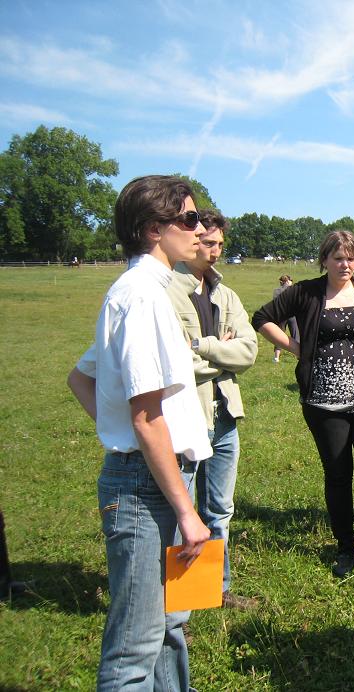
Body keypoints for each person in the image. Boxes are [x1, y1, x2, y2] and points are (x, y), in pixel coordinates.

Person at [66, 175, 212, 691]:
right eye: (190, 219)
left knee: (171, 627)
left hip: (158, 477)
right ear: (155, 229)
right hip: (148, 490)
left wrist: (124, 436)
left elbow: (82, 377)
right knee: (134, 650)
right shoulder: (141, 297)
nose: (200, 229)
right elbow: (147, 419)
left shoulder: (146, 292)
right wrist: (187, 511)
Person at [252, 230, 354, 577]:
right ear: (325, 260)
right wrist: (295, 347)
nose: (345, 264)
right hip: (323, 405)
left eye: (350, 258)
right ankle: (346, 551)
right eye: (338, 258)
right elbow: (262, 318)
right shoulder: (306, 292)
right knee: (338, 477)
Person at [166, 209, 258, 610]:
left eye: (220, 243)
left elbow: (249, 351)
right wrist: (223, 351)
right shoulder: (168, 290)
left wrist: (203, 346)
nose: (216, 251)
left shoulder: (226, 294)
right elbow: (173, 361)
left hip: (224, 417)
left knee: (219, 510)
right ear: (192, 240)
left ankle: (214, 590)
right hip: (187, 417)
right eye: (209, 242)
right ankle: (180, 603)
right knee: (182, 514)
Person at [272, 275, 300, 362]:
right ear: (288, 281)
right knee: (295, 334)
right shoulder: (293, 290)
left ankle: (276, 357)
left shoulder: (276, 291)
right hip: (292, 315)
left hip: (281, 315)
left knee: (279, 335)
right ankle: (298, 355)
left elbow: (275, 303)